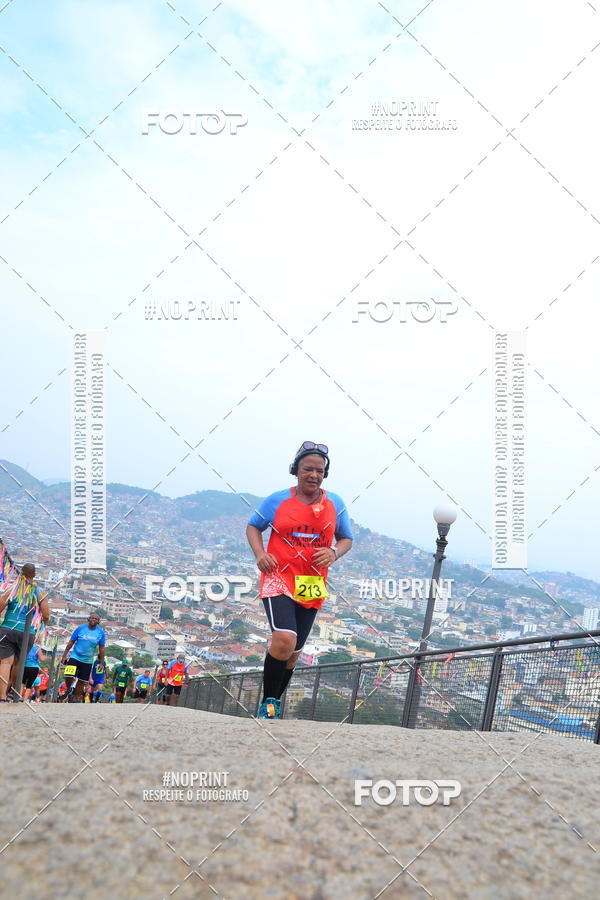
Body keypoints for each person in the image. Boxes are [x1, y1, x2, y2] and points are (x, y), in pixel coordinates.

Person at [246, 442, 353, 719]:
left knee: (293, 652)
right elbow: (253, 526)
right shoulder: (277, 500)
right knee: (284, 638)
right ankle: (268, 704)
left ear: (325, 474)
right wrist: (260, 555)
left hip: (312, 582)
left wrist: (333, 552)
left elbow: (346, 539)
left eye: (319, 470)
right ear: (296, 470)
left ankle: (274, 703)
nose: (314, 475)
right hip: (278, 577)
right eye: (308, 469)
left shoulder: (335, 504)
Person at [0, 563, 49, 702]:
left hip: (8, 628)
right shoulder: (39, 592)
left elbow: (2, 603)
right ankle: (12, 693)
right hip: (28, 632)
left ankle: (2, 696)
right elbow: (46, 615)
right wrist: (40, 627)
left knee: (5, 663)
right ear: (34, 575)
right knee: (18, 663)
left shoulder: (13, 588)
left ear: (21, 573)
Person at [60, 612, 106, 702]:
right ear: (88, 619)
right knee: (68, 675)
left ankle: (75, 698)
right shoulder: (80, 628)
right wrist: (64, 655)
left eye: (96, 619)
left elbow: (102, 648)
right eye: (92, 618)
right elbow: (71, 642)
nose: (93, 619)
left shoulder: (100, 632)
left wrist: (101, 662)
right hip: (75, 656)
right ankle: (69, 688)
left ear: (98, 622)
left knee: (81, 680)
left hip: (88, 660)